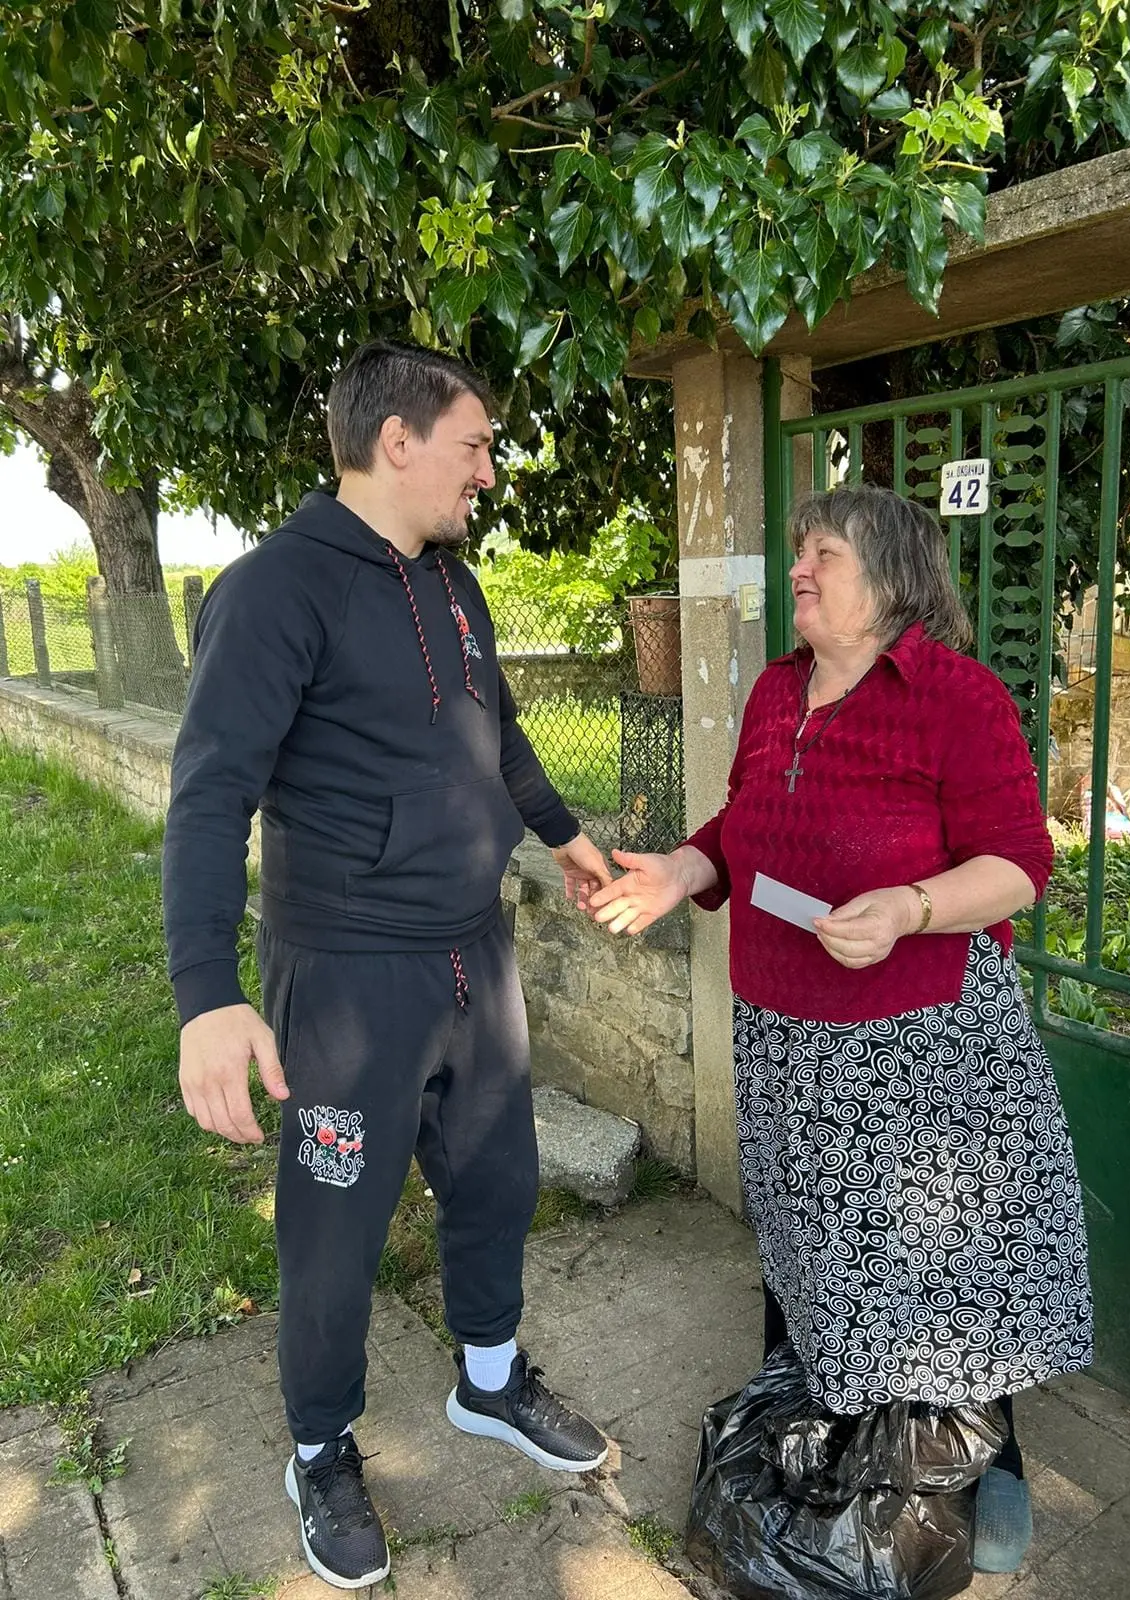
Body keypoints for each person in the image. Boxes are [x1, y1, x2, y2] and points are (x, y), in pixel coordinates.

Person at [162, 341, 612, 1591]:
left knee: (497, 1179)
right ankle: (320, 1448)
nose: (489, 471)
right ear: (396, 440)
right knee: (335, 1229)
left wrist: (567, 838)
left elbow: (499, 735)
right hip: (348, 977)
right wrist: (207, 996)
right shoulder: (273, 590)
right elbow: (208, 796)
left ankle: (489, 1380)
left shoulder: (453, 584)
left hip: (476, 955)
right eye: (475, 445)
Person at [590, 485, 1093, 1575]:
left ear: (894, 575)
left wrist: (911, 904)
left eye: (822, 552)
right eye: (799, 552)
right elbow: (747, 821)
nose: (800, 570)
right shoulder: (778, 690)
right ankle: (818, 1433)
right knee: (808, 1242)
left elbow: (1019, 862)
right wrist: (685, 868)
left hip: (918, 1041)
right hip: (785, 1034)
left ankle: (990, 1456)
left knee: (949, 1258)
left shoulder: (955, 696)